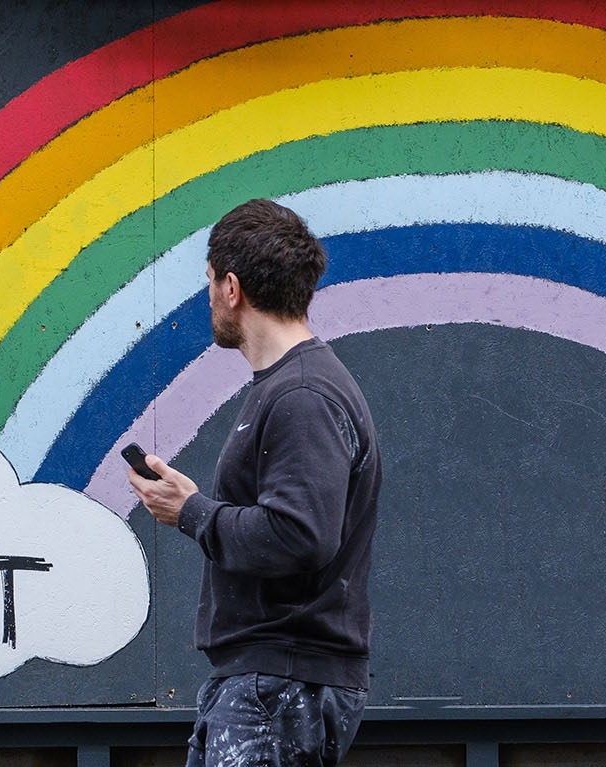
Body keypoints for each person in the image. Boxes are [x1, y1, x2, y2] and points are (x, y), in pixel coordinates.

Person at [128, 198, 381, 767]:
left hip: (279, 686)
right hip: (269, 683)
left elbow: (299, 534)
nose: (210, 296)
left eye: (211, 281)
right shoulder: (294, 387)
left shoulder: (301, 396)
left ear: (232, 288)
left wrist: (191, 511)